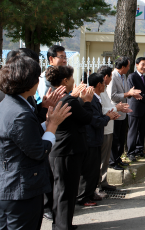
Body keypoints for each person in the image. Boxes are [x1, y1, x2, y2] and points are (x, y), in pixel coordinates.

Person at [0, 56, 71, 230]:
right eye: (37, 78)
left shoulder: (10, 103)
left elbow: (24, 134)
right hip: (18, 192)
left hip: (2, 186)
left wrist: (44, 112)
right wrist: (53, 125)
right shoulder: (20, 112)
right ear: (28, 81)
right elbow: (39, 151)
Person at [46, 65, 95, 230]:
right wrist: (87, 101)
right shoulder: (69, 100)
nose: (74, 81)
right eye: (72, 78)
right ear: (65, 80)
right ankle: (61, 226)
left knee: (61, 190)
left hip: (60, 150)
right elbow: (86, 118)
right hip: (67, 151)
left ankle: (62, 223)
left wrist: (78, 99)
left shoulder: (56, 97)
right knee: (65, 192)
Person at [77, 74, 119, 205]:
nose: (105, 85)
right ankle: (83, 197)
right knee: (88, 171)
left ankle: (90, 194)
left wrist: (107, 116)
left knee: (94, 169)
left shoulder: (97, 98)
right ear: (99, 85)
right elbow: (95, 121)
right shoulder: (91, 100)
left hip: (96, 138)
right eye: (103, 83)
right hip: (90, 139)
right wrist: (108, 117)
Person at [97, 65, 131, 191]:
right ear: (106, 77)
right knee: (101, 160)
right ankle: (98, 186)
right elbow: (100, 109)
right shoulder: (98, 90)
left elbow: (107, 105)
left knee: (105, 160)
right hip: (104, 128)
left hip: (109, 125)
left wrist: (116, 109)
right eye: (110, 76)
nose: (111, 79)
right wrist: (116, 108)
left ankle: (104, 182)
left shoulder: (104, 89)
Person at [108, 57, 141, 169]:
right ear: (122, 67)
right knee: (115, 138)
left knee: (121, 138)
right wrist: (127, 94)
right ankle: (112, 162)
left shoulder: (124, 76)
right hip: (115, 111)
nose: (128, 68)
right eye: (127, 66)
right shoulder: (113, 77)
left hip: (123, 112)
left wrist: (132, 94)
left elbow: (127, 92)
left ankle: (118, 159)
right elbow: (112, 96)